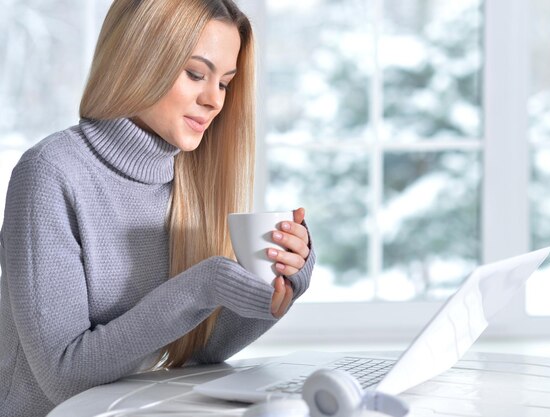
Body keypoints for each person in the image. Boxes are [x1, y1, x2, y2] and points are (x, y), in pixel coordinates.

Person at [0, 1, 315, 416]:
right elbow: (64, 378)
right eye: (196, 74)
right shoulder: (50, 173)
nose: (213, 101)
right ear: (138, 59)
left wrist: (288, 277)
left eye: (224, 83)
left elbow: (201, 349)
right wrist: (207, 284)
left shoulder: (190, 176)